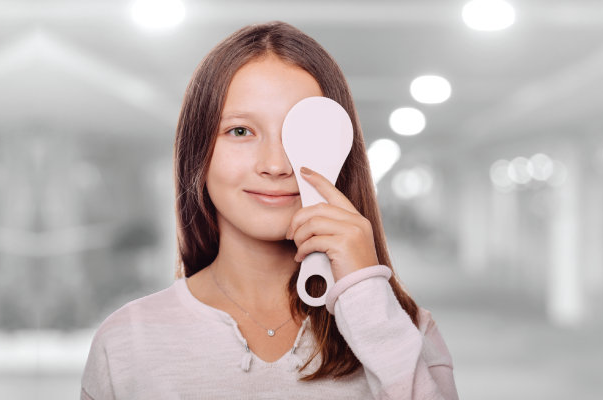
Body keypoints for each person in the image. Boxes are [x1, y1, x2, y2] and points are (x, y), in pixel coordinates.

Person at [81, 21, 457, 399]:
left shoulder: (408, 334)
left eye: (302, 134)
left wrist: (366, 297)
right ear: (198, 153)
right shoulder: (125, 343)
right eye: (241, 131)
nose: (276, 165)